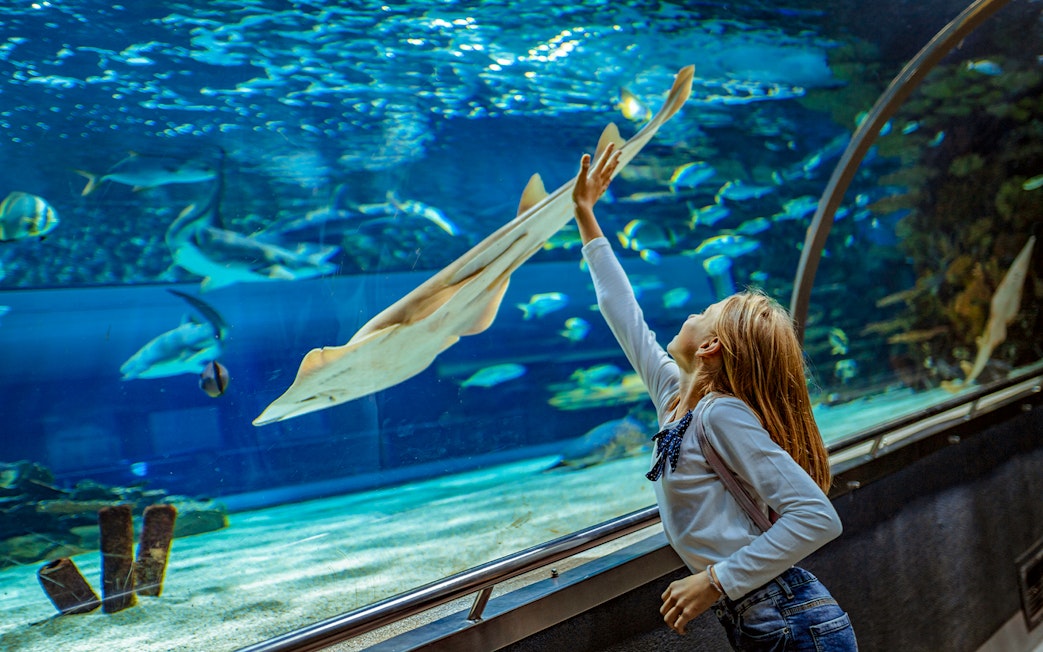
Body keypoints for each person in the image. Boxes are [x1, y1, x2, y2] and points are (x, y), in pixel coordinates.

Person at [570, 143, 857, 651]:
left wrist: (715, 580)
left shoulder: (721, 413)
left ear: (709, 345)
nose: (692, 311)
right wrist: (585, 214)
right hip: (765, 616)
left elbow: (817, 517)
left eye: (704, 309)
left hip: (791, 616)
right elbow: (622, 312)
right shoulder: (672, 399)